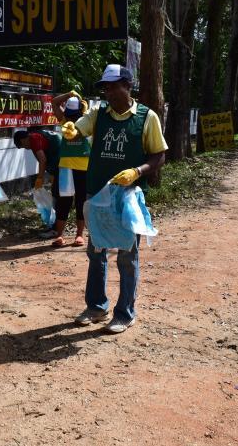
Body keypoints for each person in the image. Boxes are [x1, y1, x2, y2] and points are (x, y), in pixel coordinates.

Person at [61, 64, 167, 334]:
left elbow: (159, 156)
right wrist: (72, 129)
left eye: (113, 86)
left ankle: (125, 313)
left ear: (128, 86)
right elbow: (79, 129)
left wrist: (137, 171)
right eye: (105, 88)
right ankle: (96, 306)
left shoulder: (146, 117)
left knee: (126, 256)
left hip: (127, 197)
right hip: (98, 194)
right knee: (96, 252)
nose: (108, 92)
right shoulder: (98, 114)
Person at [48, 93, 91, 247]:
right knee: (63, 201)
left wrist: (82, 104)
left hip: (84, 166)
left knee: (81, 200)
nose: (71, 118)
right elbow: (54, 102)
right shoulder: (64, 120)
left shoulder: (85, 120)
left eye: (74, 115)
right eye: (70, 114)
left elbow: (89, 113)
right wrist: (70, 94)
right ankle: (59, 235)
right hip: (66, 167)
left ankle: (79, 235)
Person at [12, 127, 61, 237]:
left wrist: (40, 178)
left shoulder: (34, 139)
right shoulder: (35, 137)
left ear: (23, 139)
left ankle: (56, 228)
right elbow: (41, 159)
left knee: (57, 195)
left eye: (22, 145)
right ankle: (56, 225)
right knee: (56, 194)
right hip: (59, 160)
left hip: (61, 160)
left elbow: (43, 160)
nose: (25, 148)